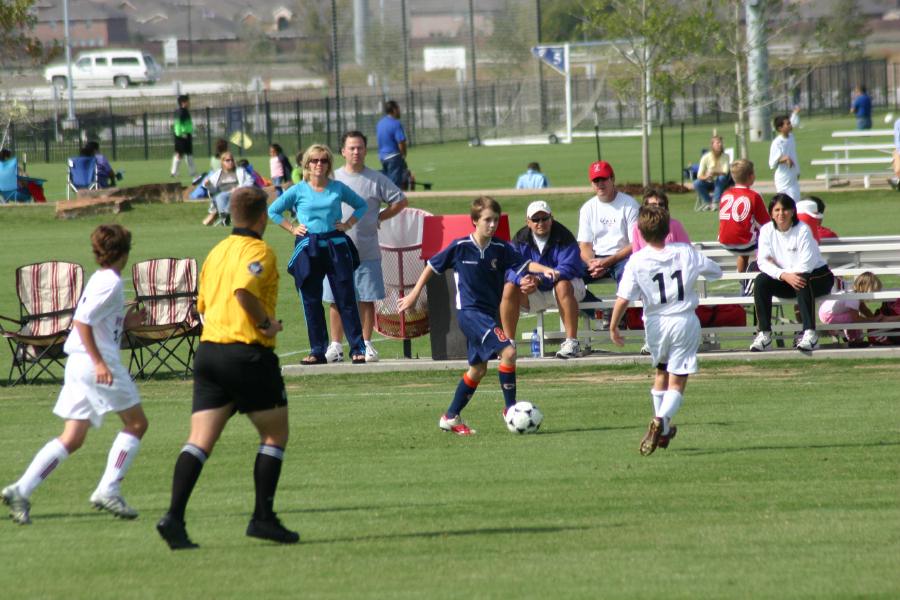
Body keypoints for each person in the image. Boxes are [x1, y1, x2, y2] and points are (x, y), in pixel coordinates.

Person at [156, 187, 298, 550]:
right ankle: (262, 519)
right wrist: (267, 322)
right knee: (274, 435)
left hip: (209, 354)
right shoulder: (259, 250)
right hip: (246, 354)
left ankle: (173, 517)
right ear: (263, 216)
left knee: (199, 441)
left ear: (231, 214)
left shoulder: (216, 252)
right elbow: (243, 292)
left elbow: (203, 306)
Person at [2, 224, 148, 525]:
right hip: (96, 362)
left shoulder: (100, 279)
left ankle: (21, 490)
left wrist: (127, 321)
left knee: (73, 436)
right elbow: (82, 322)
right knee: (136, 424)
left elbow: (98, 322)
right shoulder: (111, 283)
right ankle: (108, 488)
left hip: (78, 364)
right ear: (122, 252)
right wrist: (99, 362)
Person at [397, 196, 560, 435]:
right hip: (470, 313)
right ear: (474, 221)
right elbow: (432, 266)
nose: (492, 225)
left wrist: (544, 270)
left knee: (478, 370)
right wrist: (413, 295)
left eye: (495, 220)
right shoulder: (460, 246)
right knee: (509, 351)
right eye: (487, 220)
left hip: (487, 314)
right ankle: (510, 409)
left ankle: (450, 417)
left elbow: (525, 265)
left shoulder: (500, 248)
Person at [609, 205, 722, 456]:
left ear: (640, 231)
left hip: (655, 323)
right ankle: (660, 419)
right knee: (678, 379)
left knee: (661, 372)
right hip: (683, 320)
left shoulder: (637, 260)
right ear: (668, 228)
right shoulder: (685, 252)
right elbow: (715, 271)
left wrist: (613, 325)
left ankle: (665, 428)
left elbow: (623, 297)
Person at [267, 143, 369, 365]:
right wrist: (292, 228)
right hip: (308, 247)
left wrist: (348, 223)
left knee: (347, 299)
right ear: (306, 164)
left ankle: (357, 349)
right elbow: (273, 210)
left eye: (323, 160)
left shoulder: (338, 188)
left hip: (336, 246)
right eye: (314, 160)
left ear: (329, 164)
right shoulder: (298, 189)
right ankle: (317, 350)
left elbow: (361, 205)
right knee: (311, 300)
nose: (319, 164)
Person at [322, 131, 408, 363]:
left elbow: (400, 200)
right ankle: (336, 346)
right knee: (335, 299)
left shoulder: (376, 178)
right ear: (343, 152)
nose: (356, 152)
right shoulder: (332, 179)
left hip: (366, 249)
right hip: (335, 250)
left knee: (366, 298)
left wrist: (379, 217)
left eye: (360, 147)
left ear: (365, 150)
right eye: (351, 148)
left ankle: (365, 344)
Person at [500, 200, 586, 359]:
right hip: (535, 292)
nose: (541, 223)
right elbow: (509, 268)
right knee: (509, 287)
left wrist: (539, 280)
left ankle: (572, 342)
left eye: (544, 218)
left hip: (570, 288)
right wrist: (522, 281)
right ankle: (509, 344)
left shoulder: (564, 236)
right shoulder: (520, 239)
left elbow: (569, 267)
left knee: (562, 285)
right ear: (528, 222)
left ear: (551, 218)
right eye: (535, 220)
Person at [750, 194, 834, 353]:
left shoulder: (803, 229)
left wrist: (788, 275)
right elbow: (762, 262)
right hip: (787, 279)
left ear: (793, 212)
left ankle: (810, 334)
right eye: (777, 210)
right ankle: (764, 335)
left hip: (818, 276)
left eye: (785, 209)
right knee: (761, 281)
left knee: (802, 279)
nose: (781, 214)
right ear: (771, 213)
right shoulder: (767, 230)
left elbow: (806, 264)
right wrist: (783, 275)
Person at [577, 160, 640, 285]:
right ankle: (596, 305)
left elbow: (634, 243)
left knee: (628, 279)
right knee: (568, 278)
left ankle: (624, 305)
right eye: (596, 181)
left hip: (622, 258)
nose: (600, 184)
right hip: (596, 258)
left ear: (612, 179)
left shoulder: (630, 205)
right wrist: (591, 262)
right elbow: (585, 245)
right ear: (592, 183)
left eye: (604, 179)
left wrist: (608, 261)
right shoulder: (587, 208)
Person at [717, 159, 771, 273]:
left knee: (745, 232)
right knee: (768, 238)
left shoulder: (725, 194)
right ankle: (759, 276)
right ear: (751, 176)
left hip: (724, 241)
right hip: (745, 244)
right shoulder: (754, 196)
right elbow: (766, 224)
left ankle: (742, 279)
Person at [818, 272, 888, 347]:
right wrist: (873, 320)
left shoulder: (856, 295)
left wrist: (873, 318)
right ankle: (853, 340)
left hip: (826, 312)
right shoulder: (853, 299)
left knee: (855, 317)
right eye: (872, 292)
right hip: (828, 316)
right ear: (863, 288)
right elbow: (855, 319)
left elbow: (864, 309)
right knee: (854, 318)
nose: (873, 296)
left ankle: (855, 339)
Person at [201, 151, 254, 226]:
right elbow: (211, 188)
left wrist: (238, 188)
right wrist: (208, 184)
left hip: (238, 195)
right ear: (222, 162)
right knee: (220, 196)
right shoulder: (218, 173)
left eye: (232, 160)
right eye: (227, 160)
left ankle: (224, 215)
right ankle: (224, 217)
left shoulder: (240, 171)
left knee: (231, 196)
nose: (230, 162)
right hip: (221, 197)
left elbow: (250, 181)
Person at [376, 100, 410, 190]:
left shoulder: (380, 123)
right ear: (394, 110)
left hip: (382, 157)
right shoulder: (396, 123)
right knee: (394, 186)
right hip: (394, 156)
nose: (400, 111)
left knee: (388, 182)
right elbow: (401, 141)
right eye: (398, 108)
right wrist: (403, 154)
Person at [768, 114, 800, 203]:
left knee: (795, 204)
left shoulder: (791, 137)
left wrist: (797, 171)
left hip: (792, 177)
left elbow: (793, 155)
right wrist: (785, 158)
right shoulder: (777, 142)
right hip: (783, 179)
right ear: (780, 128)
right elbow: (772, 162)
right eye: (787, 124)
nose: (790, 125)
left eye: (790, 123)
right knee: (784, 204)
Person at [694, 135, 731, 210]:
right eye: (717, 143)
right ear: (712, 145)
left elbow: (725, 172)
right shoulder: (705, 157)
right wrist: (706, 177)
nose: (720, 145)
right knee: (697, 183)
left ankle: (715, 202)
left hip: (721, 183)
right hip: (709, 181)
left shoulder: (726, 156)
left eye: (721, 143)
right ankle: (708, 203)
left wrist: (714, 172)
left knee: (721, 178)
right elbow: (699, 175)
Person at [171, 94, 197, 179]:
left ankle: (192, 172)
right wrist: (180, 134)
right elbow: (177, 124)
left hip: (187, 135)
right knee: (179, 154)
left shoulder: (185, 111)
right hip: (181, 136)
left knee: (189, 153)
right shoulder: (180, 112)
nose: (189, 103)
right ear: (183, 102)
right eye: (188, 101)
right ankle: (174, 172)